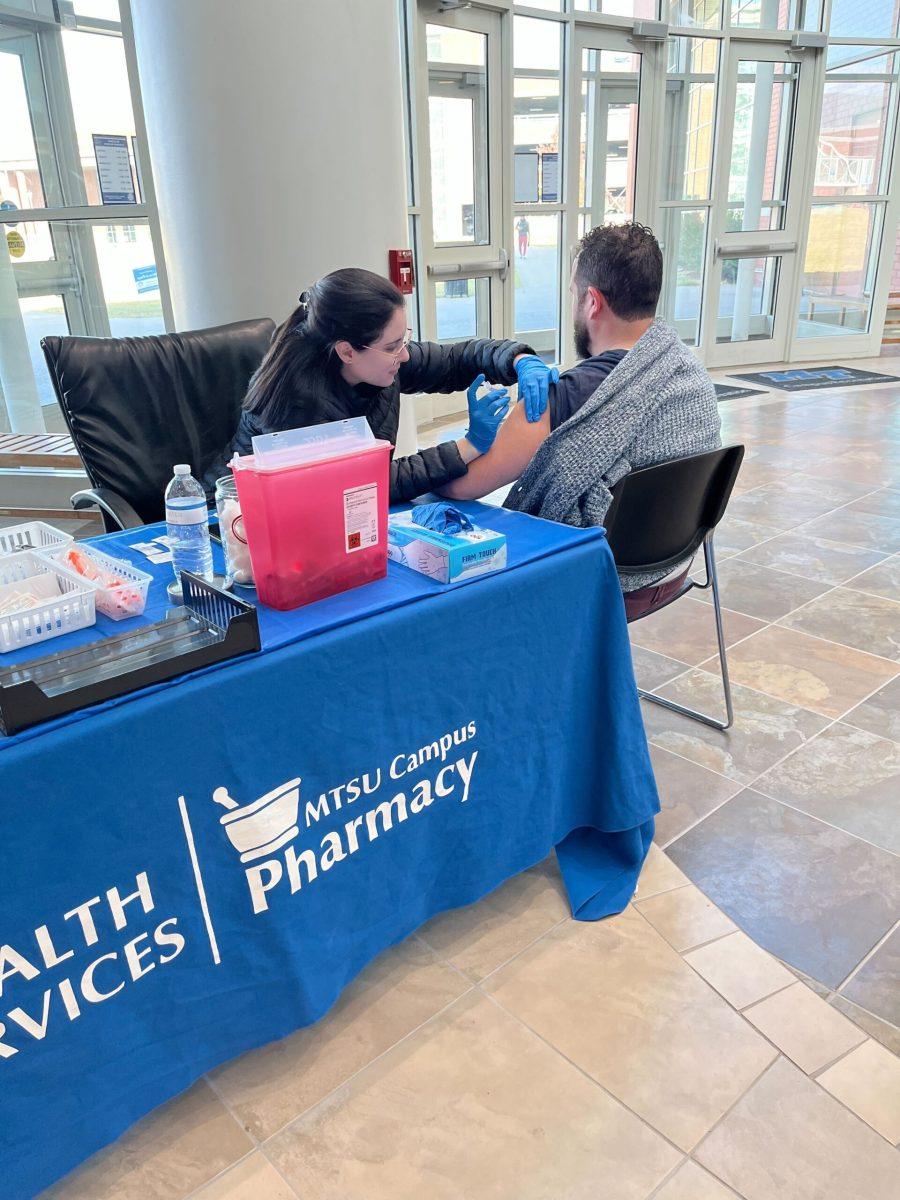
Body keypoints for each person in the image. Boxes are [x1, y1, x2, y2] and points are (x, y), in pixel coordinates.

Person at [439, 222, 721, 617]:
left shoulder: (565, 397)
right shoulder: (690, 375)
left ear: (592, 301)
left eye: (573, 293)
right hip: (673, 566)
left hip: (599, 582)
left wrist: (467, 442)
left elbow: (461, 486)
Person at [213, 268, 557, 504]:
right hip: (234, 526)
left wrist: (518, 359)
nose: (404, 355)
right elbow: (371, 483)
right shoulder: (296, 406)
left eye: (403, 339)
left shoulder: (374, 363)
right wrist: (469, 445)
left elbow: (454, 360)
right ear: (347, 351)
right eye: (392, 346)